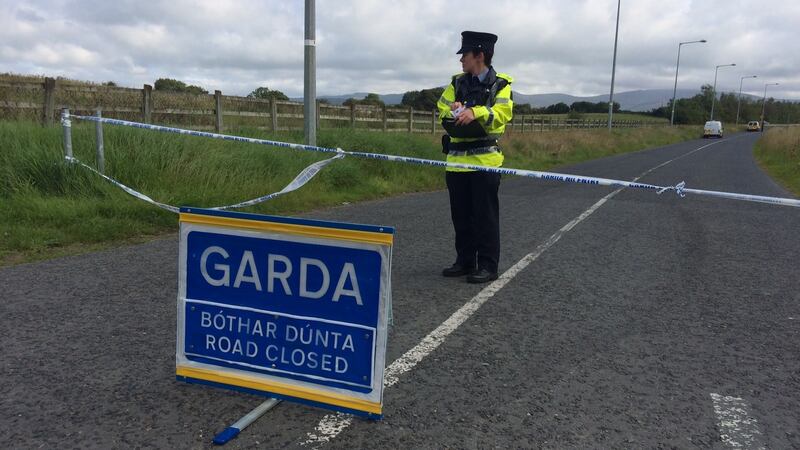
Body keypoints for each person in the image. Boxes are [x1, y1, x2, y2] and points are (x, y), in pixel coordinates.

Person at [437, 31, 514, 284]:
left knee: (485, 218)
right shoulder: (457, 83)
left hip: (485, 163)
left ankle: (488, 266)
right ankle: (465, 261)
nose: (461, 61)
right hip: (457, 163)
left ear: (479, 55)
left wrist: (475, 112)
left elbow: (502, 114)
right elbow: (441, 107)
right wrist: (454, 110)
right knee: (461, 216)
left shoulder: (501, 84)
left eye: (465, 55)